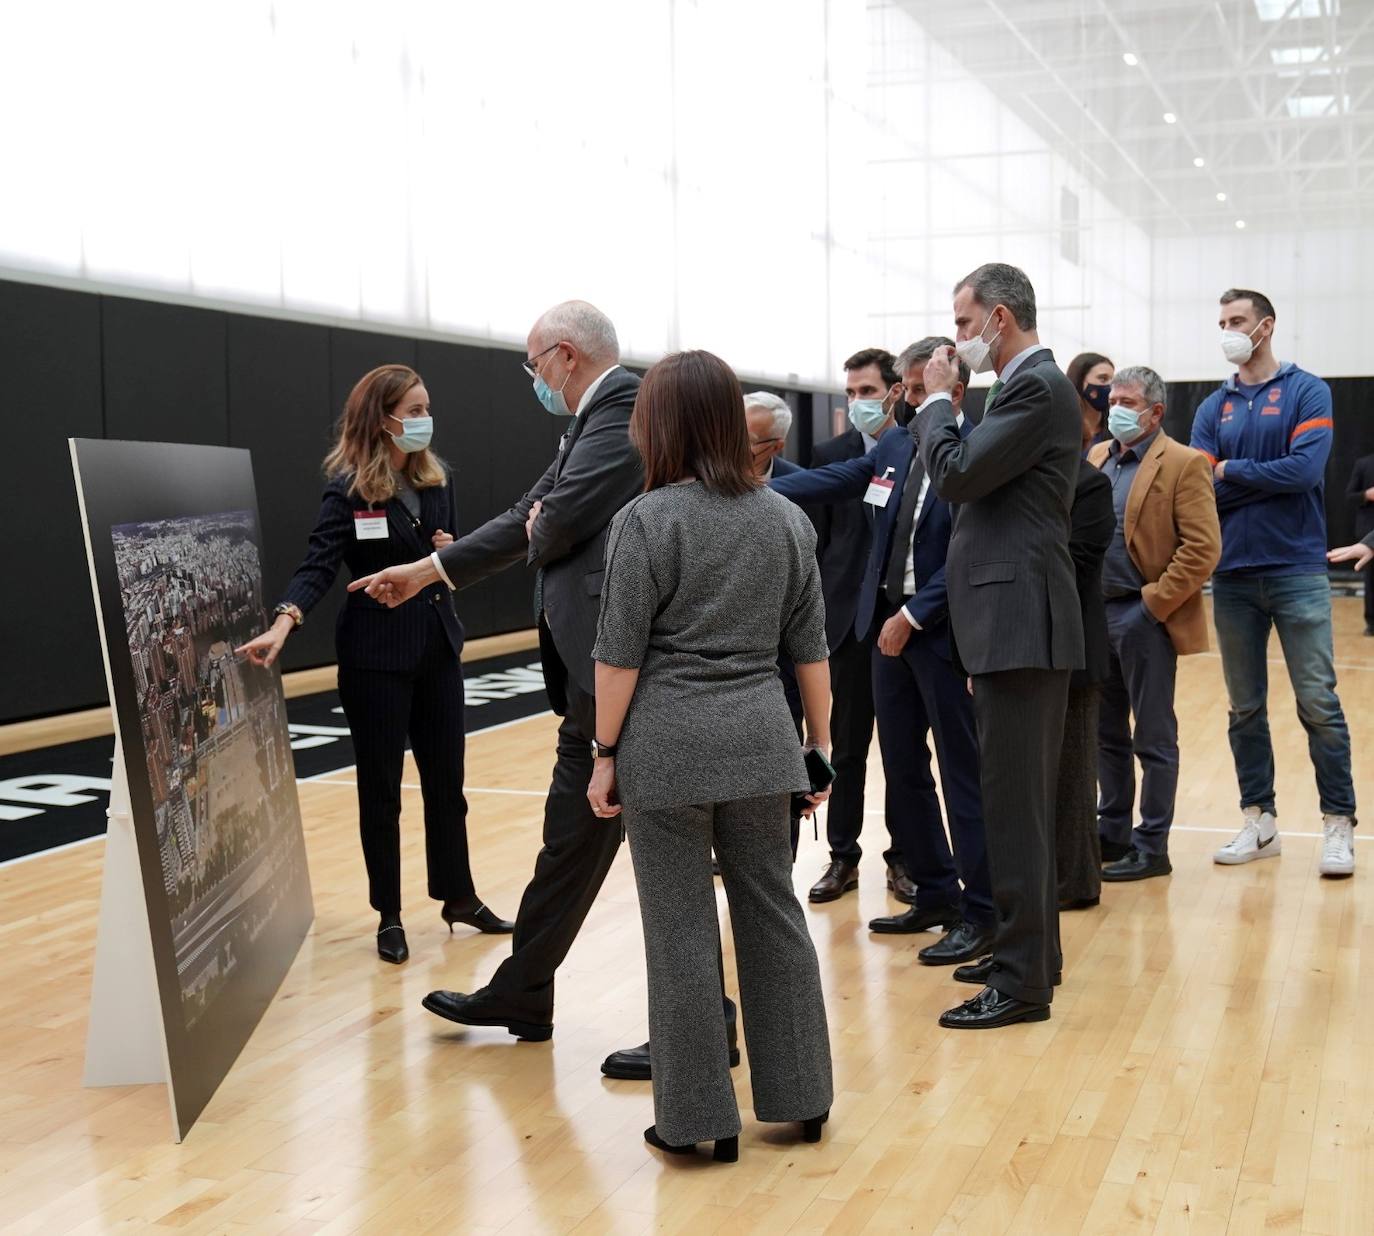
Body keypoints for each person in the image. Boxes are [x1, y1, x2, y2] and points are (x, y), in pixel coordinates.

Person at [349, 302, 735, 1077]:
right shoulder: (590, 420)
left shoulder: (622, 407)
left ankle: (701, 1029)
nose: (534, 379)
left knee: (668, 855)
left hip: (627, 671)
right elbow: (530, 514)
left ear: (564, 356)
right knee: (571, 839)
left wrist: (537, 524)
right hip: (597, 673)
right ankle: (523, 991)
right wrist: (430, 571)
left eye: (534, 364)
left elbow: (553, 526)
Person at [587, 349, 834, 1163]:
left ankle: (698, 1122)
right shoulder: (787, 519)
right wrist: (819, 750)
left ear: (659, 423)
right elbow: (811, 657)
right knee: (774, 913)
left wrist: (603, 753)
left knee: (680, 932)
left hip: (667, 750)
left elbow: (618, 659)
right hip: (765, 743)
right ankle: (802, 1100)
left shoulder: (646, 521)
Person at [237, 364, 511, 964]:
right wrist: (285, 621)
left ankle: (458, 895)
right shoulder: (347, 489)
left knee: (448, 786)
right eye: (412, 411)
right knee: (380, 789)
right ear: (380, 419)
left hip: (437, 649)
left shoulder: (438, 481)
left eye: (425, 408)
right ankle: (388, 912)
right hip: (374, 660)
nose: (423, 421)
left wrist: (451, 556)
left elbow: (450, 555)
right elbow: (317, 565)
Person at [770, 339, 994, 963]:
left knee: (960, 775)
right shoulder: (896, 446)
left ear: (955, 392)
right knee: (902, 770)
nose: (909, 404)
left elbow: (972, 551)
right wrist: (750, 467)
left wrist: (917, 615)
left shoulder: (975, 449)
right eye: (908, 392)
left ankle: (983, 912)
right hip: (883, 634)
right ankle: (937, 893)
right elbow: (829, 481)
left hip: (940, 634)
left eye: (923, 394)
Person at [913, 262, 1084, 1029]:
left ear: (1000, 318)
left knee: (1014, 810)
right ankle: (1030, 954)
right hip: (1011, 623)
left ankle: (1020, 984)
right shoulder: (1021, 389)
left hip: (1019, 623)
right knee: (1019, 806)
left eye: (961, 323)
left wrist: (938, 404)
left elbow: (954, 476)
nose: (956, 339)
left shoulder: (1033, 386)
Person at [1190, 289, 1357, 878]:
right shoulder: (1214, 406)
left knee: (1319, 704)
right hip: (1232, 576)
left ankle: (1339, 824)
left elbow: (1306, 470)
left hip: (1298, 571)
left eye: (1237, 321)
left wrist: (1231, 470)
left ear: (1265, 326)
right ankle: (1259, 821)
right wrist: (1259, 475)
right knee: (1244, 708)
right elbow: (1200, 485)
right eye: (1221, 322)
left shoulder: (1309, 390)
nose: (1228, 331)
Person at [1088, 366, 1221, 882]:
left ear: (1155, 411)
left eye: (1127, 400)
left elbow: (1203, 548)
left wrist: (1153, 605)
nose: (1114, 408)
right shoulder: (1099, 456)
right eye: (1112, 398)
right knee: (1106, 734)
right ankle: (1113, 830)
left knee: (1154, 735)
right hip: (1096, 616)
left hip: (1144, 615)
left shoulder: (1185, 463)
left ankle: (1152, 844)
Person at [807, 348, 914, 905]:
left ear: (895, 391)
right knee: (844, 750)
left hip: (901, 622)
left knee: (903, 752)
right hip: (845, 623)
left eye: (867, 392)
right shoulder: (832, 454)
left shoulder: (918, 448)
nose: (856, 403)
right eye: (850, 393)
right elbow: (819, 542)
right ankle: (841, 858)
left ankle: (904, 860)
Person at [1054, 409, 1114, 910]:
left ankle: (1076, 881)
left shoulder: (1088, 484)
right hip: (1029, 646)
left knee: (1074, 769)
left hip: (1075, 648)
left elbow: (1073, 562)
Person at [1346, 452, 1374, 635]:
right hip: (1368, 535)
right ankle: (1372, 622)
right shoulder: (1364, 463)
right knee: (1371, 579)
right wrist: (1367, 494)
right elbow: (1350, 496)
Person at [1066, 352, 1115, 447]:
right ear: (1080, 381)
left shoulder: (1115, 428)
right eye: (1103, 379)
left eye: (1112, 380)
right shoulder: (1063, 428)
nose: (1110, 386)